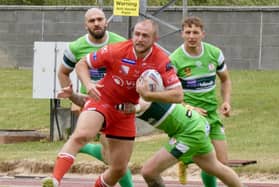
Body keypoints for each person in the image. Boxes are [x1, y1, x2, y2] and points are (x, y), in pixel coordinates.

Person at [42, 19, 183, 187]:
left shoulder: (161, 60)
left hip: (125, 114)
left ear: (155, 39)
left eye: (145, 36)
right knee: (82, 135)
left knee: (119, 169)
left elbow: (178, 95)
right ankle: (54, 180)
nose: (139, 39)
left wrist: (149, 95)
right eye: (136, 34)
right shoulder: (117, 49)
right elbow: (82, 64)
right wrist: (89, 84)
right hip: (102, 100)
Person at [56, 84, 243, 187]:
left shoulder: (138, 90)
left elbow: (143, 103)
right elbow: (93, 101)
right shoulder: (118, 92)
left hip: (189, 131)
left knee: (149, 171)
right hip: (193, 125)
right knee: (215, 167)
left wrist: (134, 108)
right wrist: (72, 95)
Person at [55, 7, 133, 187]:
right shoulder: (76, 47)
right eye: (92, 21)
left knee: (111, 156)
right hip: (93, 105)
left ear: (106, 22)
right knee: (114, 157)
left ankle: (84, 146)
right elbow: (63, 72)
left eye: (100, 19)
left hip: (117, 105)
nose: (97, 23)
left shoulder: (121, 43)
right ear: (85, 25)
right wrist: (74, 97)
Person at [170, 16, 232, 187]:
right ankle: (185, 160)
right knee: (206, 160)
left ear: (203, 34)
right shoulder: (175, 59)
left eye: (195, 32)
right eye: (188, 32)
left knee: (222, 163)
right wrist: (188, 108)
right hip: (189, 117)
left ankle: (186, 159)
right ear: (182, 34)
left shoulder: (214, 53)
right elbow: (170, 94)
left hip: (211, 114)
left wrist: (226, 102)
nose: (191, 36)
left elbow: (225, 80)